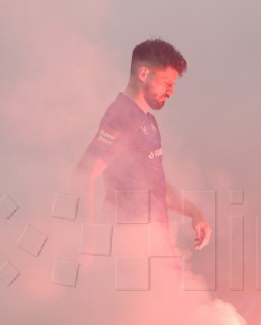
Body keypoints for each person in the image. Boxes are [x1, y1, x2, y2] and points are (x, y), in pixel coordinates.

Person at [73, 38, 211, 251]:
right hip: (131, 251)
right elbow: (83, 174)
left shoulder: (147, 120)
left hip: (154, 245)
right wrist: (90, 240)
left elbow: (155, 186)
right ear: (144, 74)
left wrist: (195, 213)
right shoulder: (122, 117)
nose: (172, 91)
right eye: (167, 83)